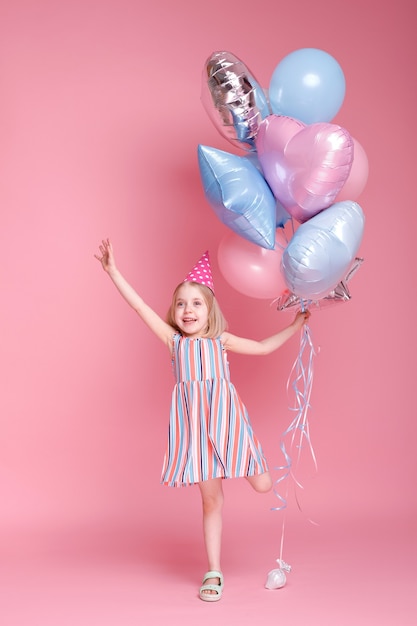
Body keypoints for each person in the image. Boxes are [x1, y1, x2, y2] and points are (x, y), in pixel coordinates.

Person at [94, 238, 310, 602]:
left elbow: (262, 347)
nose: (187, 310)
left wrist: (295, 325)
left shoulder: (220, 341)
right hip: (195, 433)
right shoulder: (173, 341)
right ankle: (213, 570)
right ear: (174, 312)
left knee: (261, 485)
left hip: (230, 426)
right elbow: (139, 306)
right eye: (181, 304)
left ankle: (246, 459)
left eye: (196, 304)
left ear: (210, 311)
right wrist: (113, 271)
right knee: (212, 502)